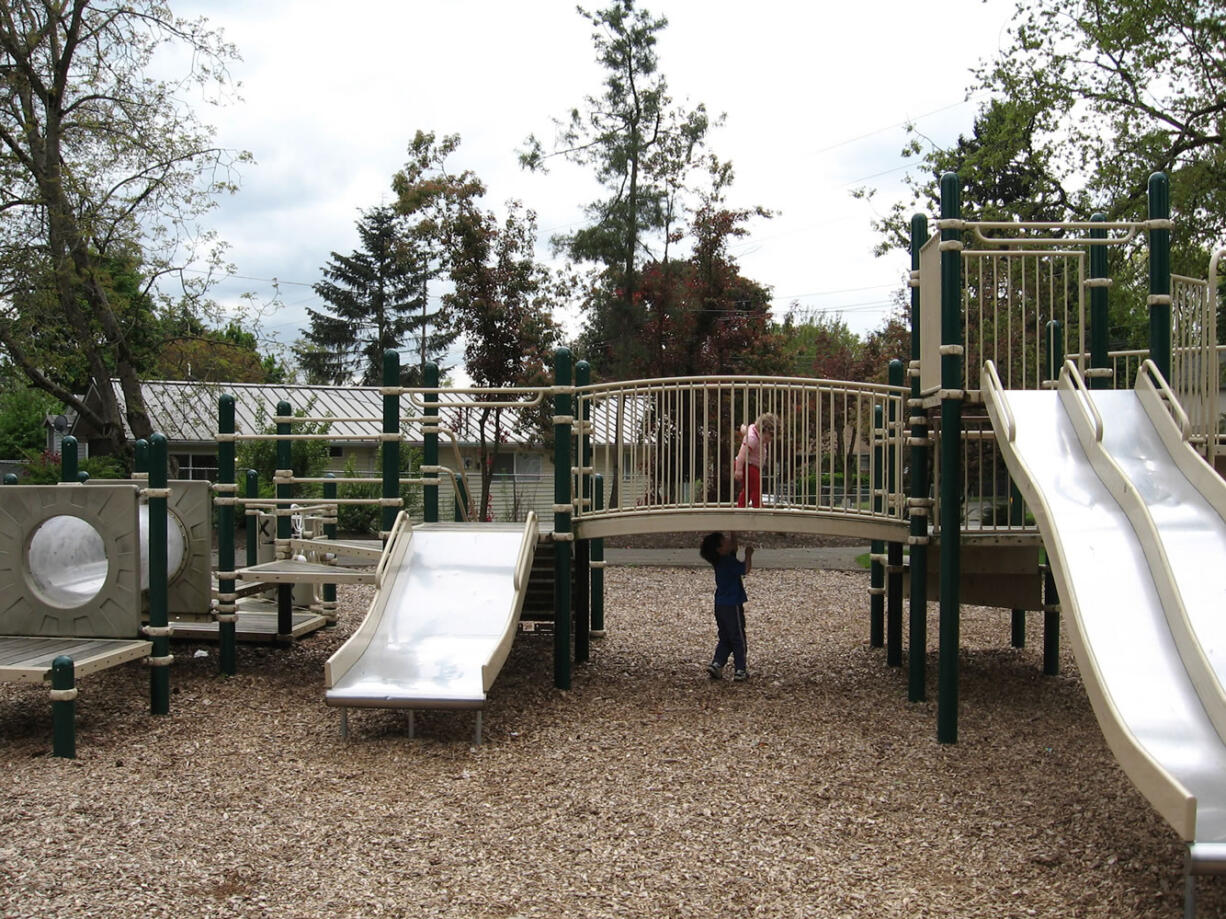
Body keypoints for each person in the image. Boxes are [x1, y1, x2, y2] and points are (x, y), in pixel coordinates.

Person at [698, 531, 753, 681]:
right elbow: (745, 569)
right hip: (732, 605)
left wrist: (734, 532)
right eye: (725, 541)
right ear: (720, 549)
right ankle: (740, 669)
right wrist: (748, 554)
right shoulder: (728, 562)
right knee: (738, 637)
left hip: (720, 605)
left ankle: (717, 663)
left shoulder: (720, 560)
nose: (729, 541)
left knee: (725, 637)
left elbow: (733, 547)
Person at [734, 411, 778, 508]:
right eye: (770, 435)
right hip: (746, 465)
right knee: (756, 487)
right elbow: (742, 454)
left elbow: (746, 430)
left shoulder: (754, 432)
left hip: (751, 466)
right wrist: (738, 470)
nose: (770, 439)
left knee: (749, 489)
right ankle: (757, 506)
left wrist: (743, 428)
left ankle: (741, 507)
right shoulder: (752, 439)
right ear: (763, 430)